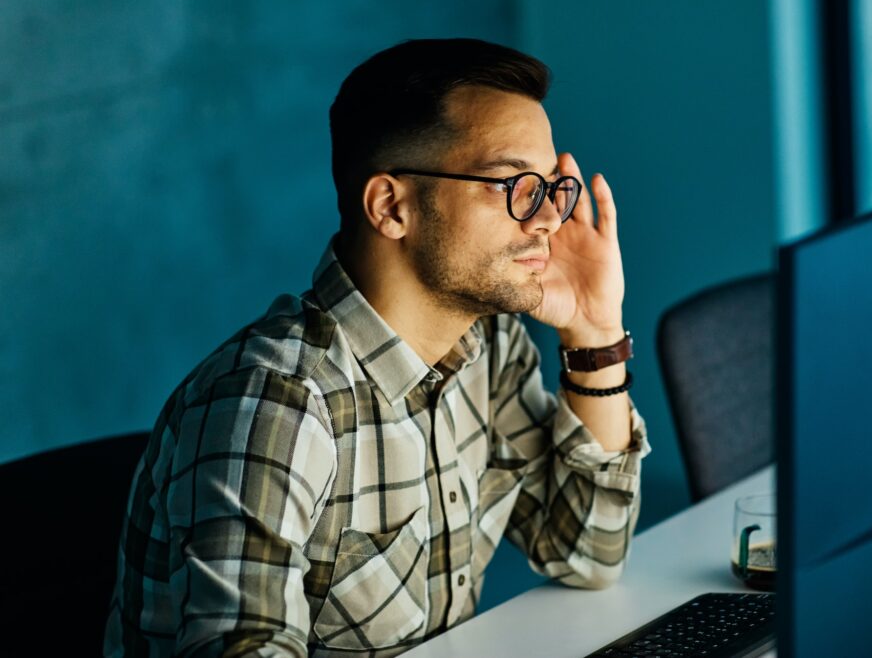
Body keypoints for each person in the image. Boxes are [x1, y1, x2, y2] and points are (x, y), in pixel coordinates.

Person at [105, 38, 649, 657]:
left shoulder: (488, 342)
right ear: (391, 206)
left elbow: (589, 553)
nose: (548, 218)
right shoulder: (273, 405)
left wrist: (595, 331)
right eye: (512, 184)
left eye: (550, 187)